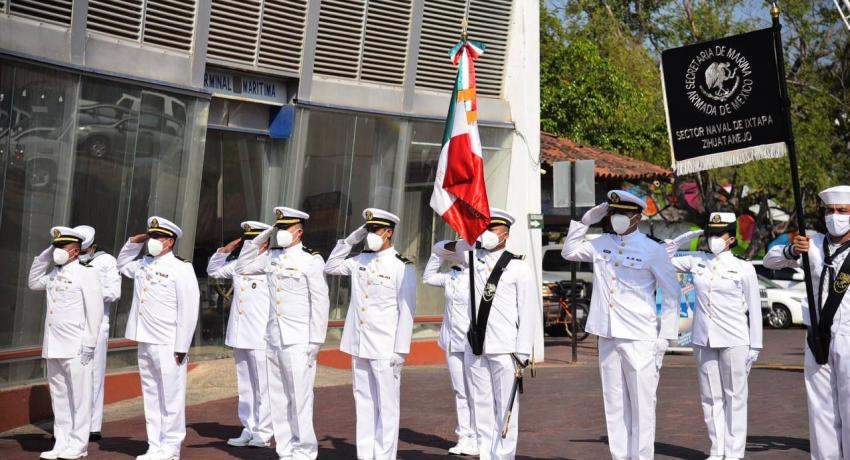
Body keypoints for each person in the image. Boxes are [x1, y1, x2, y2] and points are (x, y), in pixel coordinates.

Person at [561, 190, 680, 460]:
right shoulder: (601, 243)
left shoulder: (653, 250)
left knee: (642, 405)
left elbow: (671, 293)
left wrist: (665, 337)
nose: (618, 218)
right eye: (614, 213)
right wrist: (585, 221)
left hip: (639, 336)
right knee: (613, 402)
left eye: (623, 214)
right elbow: (569, 252)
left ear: (637, 217)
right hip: (607, 332)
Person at [433, 208, 536, 460]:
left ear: (505, 234)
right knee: (481, 404)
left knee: (506, 405)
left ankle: (504, 455)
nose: (487, 233)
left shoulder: (517, 267)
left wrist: (523, 352)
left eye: (492, 229)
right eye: (484, 228)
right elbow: (439, 249)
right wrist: (469, 238)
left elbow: (528, 311)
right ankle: (487, 454)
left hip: (505, 347)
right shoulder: (471, 258)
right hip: (476, 344)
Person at [665, 213, 762, 460]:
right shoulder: (697, 260)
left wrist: (755, 346)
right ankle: (717, 450)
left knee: (735, 396)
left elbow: (755, 308)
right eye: (710, 234)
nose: (713, 239)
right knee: (710, 397)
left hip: (735, 338)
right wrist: (686, 237)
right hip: (703, 338)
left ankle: (734, 453)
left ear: (731, 239)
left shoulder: (743, 267)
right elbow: (662, 257)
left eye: (719, 234)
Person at [235, 208, 330, 460]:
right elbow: (242, 267)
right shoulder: (272, 256)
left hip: (299, 338)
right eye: (279, 228)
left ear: (299, 231)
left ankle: (305, 450)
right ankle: (286, 449)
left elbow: (320, 301)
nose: (281, 233)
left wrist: (316, 340)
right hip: (273, 336)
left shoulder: (311, 260)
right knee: (278, 398)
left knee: (299, 398)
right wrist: (261, 237)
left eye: (285, 228)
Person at [763, 185, 850, 460]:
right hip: (817, 337)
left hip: (849, 336)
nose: (834, 216)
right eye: (829, 210)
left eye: (842, 211)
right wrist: (791, 250)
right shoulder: (812, 245)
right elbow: (769, 260)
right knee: (821, 408)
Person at [324, 208, 416, 460]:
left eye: (375, 230)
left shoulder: (401, 266)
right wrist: (352, 238)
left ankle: (384, 456)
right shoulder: (360, 260)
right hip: (359, 343)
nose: (371, 235)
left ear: (389, 232)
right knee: (363, 402)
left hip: (385, 346)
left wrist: (400, 350)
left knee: (387, 405)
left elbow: (407, 311)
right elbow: (331, 266)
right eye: (369, 230)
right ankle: (366, 454)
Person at [117, 216, 199, 460]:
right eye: (151, 236)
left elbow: (189, 309)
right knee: (151, 395)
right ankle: (154, 445)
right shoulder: (143, 264)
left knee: (171, 397)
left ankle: (171, 447)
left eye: (157, 237)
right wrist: (134, 241)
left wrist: (182, 346)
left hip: (168, 342)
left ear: (170, 242)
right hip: (145, 338)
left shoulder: (181, 268)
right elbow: (122, 264)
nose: (152, 241)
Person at [28, 226, 103, 460]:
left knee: (79, 398)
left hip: (76, 346)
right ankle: (62, 442)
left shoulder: (86, 274)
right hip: (54, 346)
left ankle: (79, 444)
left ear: (75, 251)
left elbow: (95, 311)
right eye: (56, 246)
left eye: (62, 246)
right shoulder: (53, 274)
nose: (58, 250)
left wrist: (89, 344)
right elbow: (32, 282)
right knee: (59, 397)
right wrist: (46, 253)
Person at [206, 221, 274, 448]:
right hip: (240, 332)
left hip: (261, 333)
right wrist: (223, 252)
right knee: (245, 385)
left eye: (252, 241)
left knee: (263, 385)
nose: (247, 245)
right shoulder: (238, 264)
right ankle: (249, 427)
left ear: (264, 244)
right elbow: (213, 271)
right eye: (246, 241)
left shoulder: (271, 263)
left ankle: (264, 432)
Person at [422, 245, 478, 456]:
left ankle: (479, 437)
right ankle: (464, 436)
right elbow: (428, 277)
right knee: (460, 391)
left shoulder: (480, 277)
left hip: (472, 342)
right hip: (452, 341)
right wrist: (441, 250)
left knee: (475, 391)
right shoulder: (451, 277)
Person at [74, 225, 122, 441]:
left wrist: (89, 291)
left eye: (83, 251)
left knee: (94, 375)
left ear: (92, 247)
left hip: (97, 324)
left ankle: (93, 425)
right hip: (73, 324)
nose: (80, 254)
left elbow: (114, 292)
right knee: (73, 375)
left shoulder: (106, 261)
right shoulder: (69, 262)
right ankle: (74, 422)